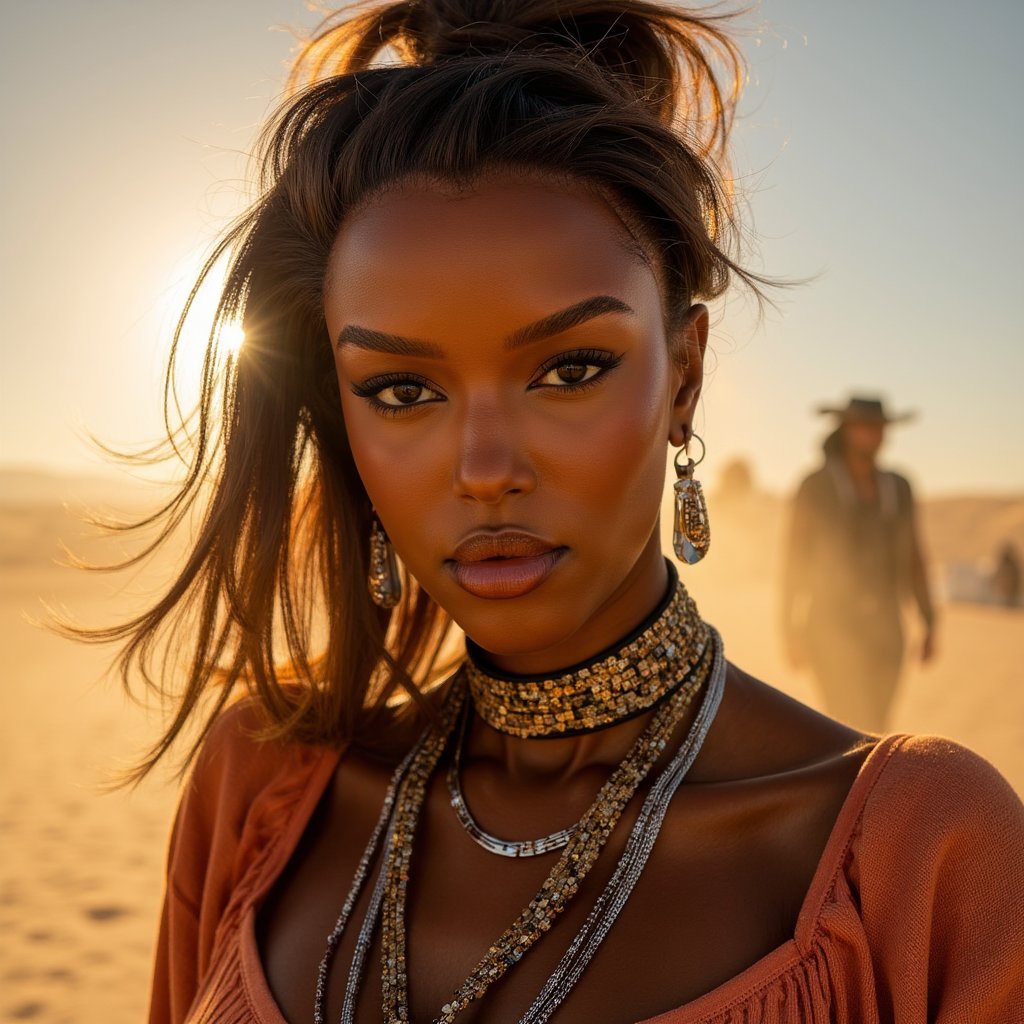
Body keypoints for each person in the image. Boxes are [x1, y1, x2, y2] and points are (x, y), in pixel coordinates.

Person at [101, 4, 1023, 1022]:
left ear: (685, 377)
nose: (485, 469)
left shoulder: (920, 856)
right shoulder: (259, 788)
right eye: (402, 390)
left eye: (569, 368)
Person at [781, 396, 938, 733]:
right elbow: (793, 560)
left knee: (877, 727)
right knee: (846, 726)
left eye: (878, 428)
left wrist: (929, 619)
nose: (872, 435)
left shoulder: (899, 486)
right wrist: (788, 628)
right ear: (846, 430)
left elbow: (914, 556)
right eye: (864, 427)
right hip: (829, 626)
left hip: (887, 629)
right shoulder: (816, 486)